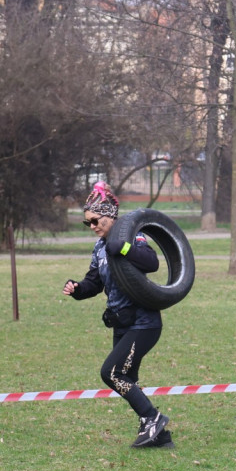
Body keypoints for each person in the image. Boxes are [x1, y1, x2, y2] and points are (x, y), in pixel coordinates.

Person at [63, 182, 174, 449]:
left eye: (95, 220)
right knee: (127, 379)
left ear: (110, 216)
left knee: (111, 373)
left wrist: (122, 248)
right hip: (121, 323)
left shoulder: (133, 236)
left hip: (144, 322)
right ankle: (160, 437)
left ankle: (152, 418)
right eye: (87, 222)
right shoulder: (99, 248)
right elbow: (93, 283)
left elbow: (152, 262)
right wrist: (77, 289)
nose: (92, 226)